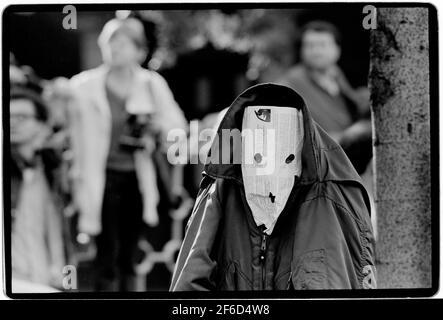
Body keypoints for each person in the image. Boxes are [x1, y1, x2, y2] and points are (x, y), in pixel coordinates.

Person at [170, 83, 376, 290]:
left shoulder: (335, 193)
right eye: (257, 156)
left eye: (286, 156)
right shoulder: (222, 188)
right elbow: (189, 284)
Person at [68, 17, 187, 291]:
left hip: (137, 177)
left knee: (131, 252)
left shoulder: (150, 84)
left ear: (139, 51)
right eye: (111, 43)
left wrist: (158, 127)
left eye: (123, 44)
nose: (116, 49)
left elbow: (176, 126)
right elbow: (64, 122)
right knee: (105, 250)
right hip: (101, 175)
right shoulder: (82, 86)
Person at [10, 79, 66, 292]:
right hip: (13, 279)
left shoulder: (51, 170)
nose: (12, 122)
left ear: (42, 124)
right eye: (7, 116)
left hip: (45, 277)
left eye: (22, 117)